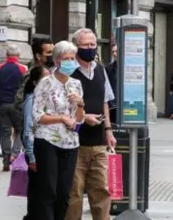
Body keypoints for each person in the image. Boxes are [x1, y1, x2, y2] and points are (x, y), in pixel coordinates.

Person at [66, 28, 116, 220]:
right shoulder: (68, 72)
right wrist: (84, 116)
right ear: (76, 47)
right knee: (74, 192)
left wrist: (109, 131)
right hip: (75, 142)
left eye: (93, 44)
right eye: (85, 45)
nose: (90, 48)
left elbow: (105, 102)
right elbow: (61, 105)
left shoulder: (100, 69)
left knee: (101, 190)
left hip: (98, 141)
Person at [32, 40, 85, 220]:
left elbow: (79, 120)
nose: (70, 62)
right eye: (65, 58)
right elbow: (37, 116)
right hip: (47, 140)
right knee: (49, 191)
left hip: (70, 142)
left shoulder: (76, 84)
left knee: (64, 193)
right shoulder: (45, 83)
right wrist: (61, 118)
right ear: (56, 61)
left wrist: (80, 104)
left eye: (72, 58)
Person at [0, 44, 28, 171]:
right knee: (20, 130)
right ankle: (15, 154)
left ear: (6, 55)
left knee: (5, 132)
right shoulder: (23, 69)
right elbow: (26, 88)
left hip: (2, 104)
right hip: (17, 105)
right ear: (18, 56)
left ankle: (6, 161)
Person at [21, 65, 50, 220]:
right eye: (45, 76)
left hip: (44, 149)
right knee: (37, 192)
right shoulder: (32, 99)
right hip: (36, 151)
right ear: (35, 81)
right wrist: (32, 157)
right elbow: (28, 130)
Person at [13, 38, 54, 111]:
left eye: (53, 52)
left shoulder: (51, 71)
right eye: (49, 52)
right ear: (38, 56)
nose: (52, 55)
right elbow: (19, 101)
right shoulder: (32, 75)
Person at [105, 43, 118, 123]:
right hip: (112, 104)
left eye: (116, 51)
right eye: (113, 52)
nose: (114, 54)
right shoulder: (109, 67)